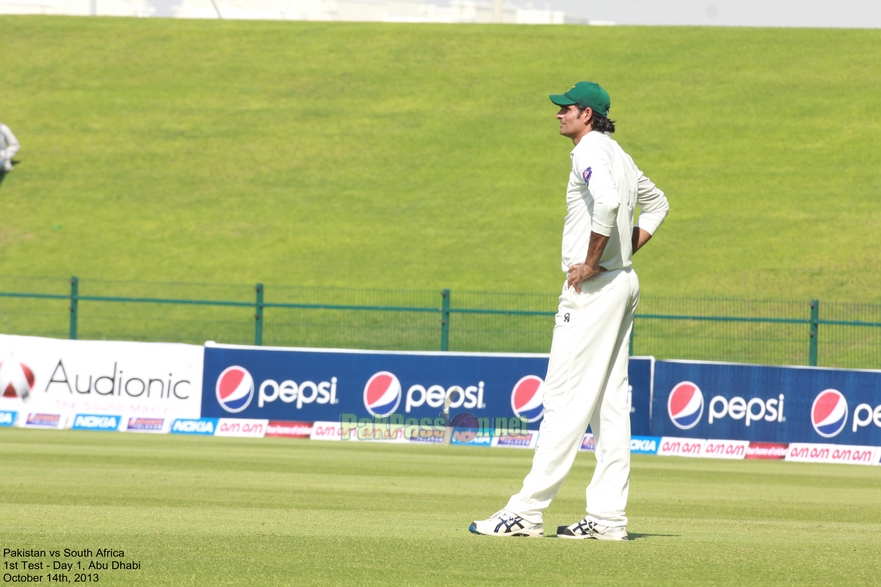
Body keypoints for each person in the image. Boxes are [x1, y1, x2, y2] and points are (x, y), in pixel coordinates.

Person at [470, 81, 670, 541]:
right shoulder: (620, 155)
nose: (559, 114)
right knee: (610, 406)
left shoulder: (589, 152)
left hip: (595, 288)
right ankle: (607, 519)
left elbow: (609, 202)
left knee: (562, 400)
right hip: (621, 284)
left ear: (587, 115)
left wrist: (595, 260)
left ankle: (526, 512)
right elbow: (658, 204)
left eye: (566, 108)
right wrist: (624, 254)